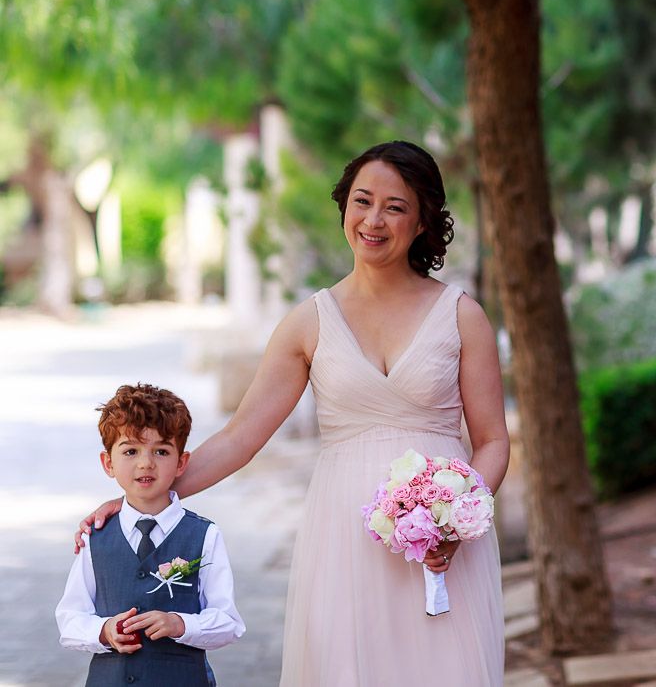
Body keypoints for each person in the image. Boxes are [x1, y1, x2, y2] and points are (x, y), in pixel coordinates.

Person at [75, 141, 509, 686]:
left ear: (423, 221)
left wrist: (457, 518)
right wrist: (139, 497)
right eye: (361, 201)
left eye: (395, 207)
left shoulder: (462, 317)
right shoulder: (310, 321)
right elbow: (239, 439)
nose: (373, 220)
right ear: (344, 208)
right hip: (344, 535)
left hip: (445, 548)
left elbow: (493, 441)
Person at [57, 383, 246, 687]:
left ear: (181, 462)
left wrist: (181, 623)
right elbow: (69, 619)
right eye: (131, 451)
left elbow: (229, 623)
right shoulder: (95, 536)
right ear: (108, 463)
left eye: (161, 451)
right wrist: (104, 631)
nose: (146, 462)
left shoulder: (205, 535)